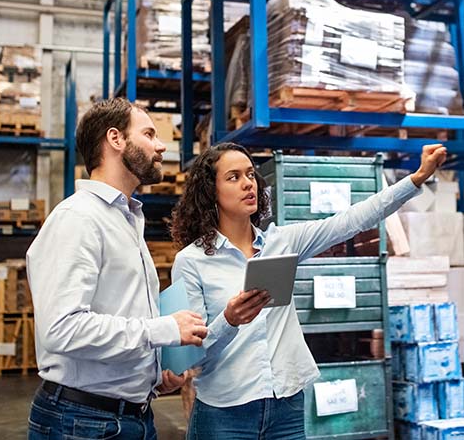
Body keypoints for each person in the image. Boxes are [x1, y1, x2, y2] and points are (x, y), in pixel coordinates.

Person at [170, 142, 447, 440]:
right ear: (211, 192)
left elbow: (353, 219)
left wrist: (416, 178)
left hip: (286, 407)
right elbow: (188, 358)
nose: (248, 183)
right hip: (224, 414)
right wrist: (229, 320)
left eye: (250, 174)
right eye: (233, 177)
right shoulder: (190, 261)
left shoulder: (282, 242)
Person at [26, 97, 208, 440]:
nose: (161, 145)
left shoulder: (126, 218)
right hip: (82, 422)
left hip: (131, 416)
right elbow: (63, 329)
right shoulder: (78, 219)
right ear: (116, 139)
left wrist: (154, 373)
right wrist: (163, 330)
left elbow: (119, 312)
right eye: (150, 134)